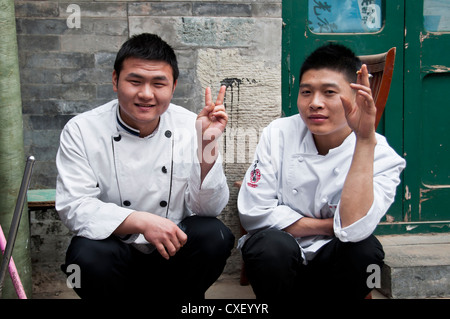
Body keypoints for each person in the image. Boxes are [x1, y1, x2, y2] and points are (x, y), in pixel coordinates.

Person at [56, 33, 234, 299]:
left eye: (158, 83)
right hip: (115, 250)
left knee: (214, 235)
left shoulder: (192, 125)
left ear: (173, 87)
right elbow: (74, 207)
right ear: (115, 80)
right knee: (83, 256)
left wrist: (206, 145)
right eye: (135, 81)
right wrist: (141, 221)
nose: (146, 94)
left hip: (174, 250)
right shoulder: (82, 129)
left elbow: (209, 209)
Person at [237, 43, 406, 299]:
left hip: (335, 264)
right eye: (306, 92)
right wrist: (330, 225)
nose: (314, 103)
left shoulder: (381, 154)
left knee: (368, 254)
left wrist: (363, 140)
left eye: (329, 92)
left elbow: (355, 231)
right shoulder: (279, 133)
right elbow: (253, 214)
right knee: (268, 245)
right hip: (283, 259)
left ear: (357, 95)